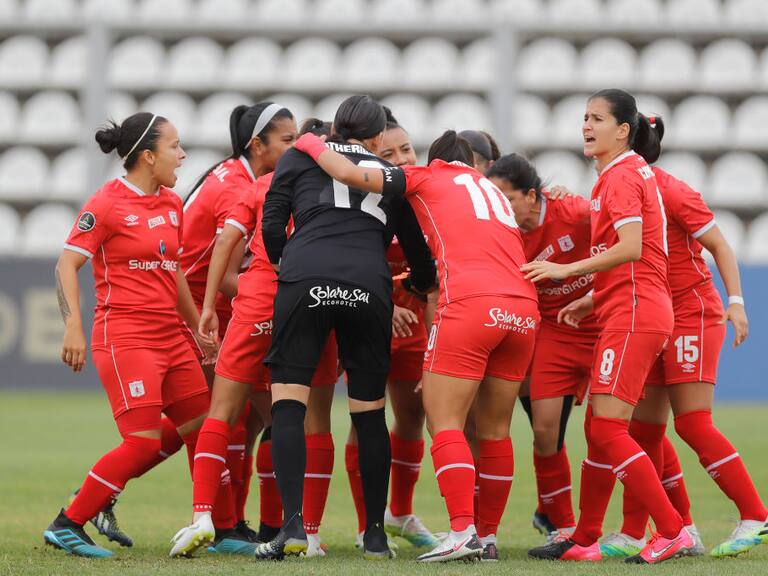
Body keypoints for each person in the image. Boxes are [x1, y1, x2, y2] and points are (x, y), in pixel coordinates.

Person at [293, 129, 539, 562]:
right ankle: (487, 536)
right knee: (496, 430)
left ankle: (461, 530)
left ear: (437, 160)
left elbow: (349, 174)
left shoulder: (429, 176)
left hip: (471, 304)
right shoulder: (493, 191)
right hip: (522, 309)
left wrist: (312, 144)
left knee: (443, 422)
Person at [257, 95, 435, 560]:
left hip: (305, 277)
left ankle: (292, 528)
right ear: (378, 138)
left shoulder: (300, 156)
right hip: (367, 284)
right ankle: (374, 535)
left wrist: (287, 266)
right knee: (369, 412)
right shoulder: (385, 172)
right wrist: (418, 283)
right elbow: (418, 252)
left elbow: (272, 223)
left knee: (290, 405)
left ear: (335, 128)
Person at [524, 89, 694, 564]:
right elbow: (639, 257)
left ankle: (673, 529)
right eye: (583, 117)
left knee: (611, 429)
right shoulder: (624, 173)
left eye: (597, 118)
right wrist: (593, 297)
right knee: (603, 424)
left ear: (623, 130)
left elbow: (633, 247)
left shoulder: (619, 177)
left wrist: (565, 271)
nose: (586, 125)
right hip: (629, 306)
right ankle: (586, 538)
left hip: (636, 312)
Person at [44, 112, 216, 558]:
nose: (182, 155)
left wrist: (196, 325)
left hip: (171, 337)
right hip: (125, 337)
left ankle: (215, 526)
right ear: (147, 155)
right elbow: (66, 264)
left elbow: (171, 269)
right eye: (175, 147)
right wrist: (73, 327)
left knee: (202, 426)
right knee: (143, 441)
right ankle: (68, 522)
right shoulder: (106, 203)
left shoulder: (172, 203)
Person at [169, 116, 341, 558]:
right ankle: (309, 532)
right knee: (308, 420)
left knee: (222, 412)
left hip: (261, 295)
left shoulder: (262, 186)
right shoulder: (342, 190)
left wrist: (208, 306)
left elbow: (227, 241)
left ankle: (203, 517)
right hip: (316, 299)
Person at [604, 115, 765, 559]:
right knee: (644, 430)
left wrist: (736, 301)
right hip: (655, 317)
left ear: (625, 137)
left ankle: (755, 514)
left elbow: (720, 245)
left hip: (691, 313)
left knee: (692, 423)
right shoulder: (625, 185)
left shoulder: (668, 188)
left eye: (598, 122)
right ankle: (656, 530)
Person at [487, 154, 597, 541]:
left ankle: (663, 527)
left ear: (532, 195)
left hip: (603, 323)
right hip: (552, 329)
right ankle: (562, 525)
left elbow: (627, 246)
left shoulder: (578, 212)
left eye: (507, 198)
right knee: (546, 431)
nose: (500, 206)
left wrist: (596, 294)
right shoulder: (500, 230)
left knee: (618, 432)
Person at [343, 108, 438, 549]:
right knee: (364, 421)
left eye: (406, 150)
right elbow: (348, 266)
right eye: (389, 152)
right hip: (365, 322)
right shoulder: (363, 201)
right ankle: (368, 526)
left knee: (413, 416)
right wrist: (384, 310)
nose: (400, 159)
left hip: (416, 328)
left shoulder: (429, 201)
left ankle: (400, 512)